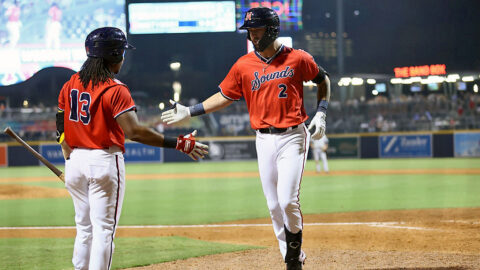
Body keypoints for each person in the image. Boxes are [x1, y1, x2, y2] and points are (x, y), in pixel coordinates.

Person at [161, 7, 331, 270]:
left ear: (272, 29)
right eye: (249, 30)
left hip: (292, 136)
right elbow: (225, 95)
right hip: (263, 139)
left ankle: (294, 259)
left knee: (287, 200)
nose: (252, 35)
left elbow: (323, 80)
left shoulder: (297, 58)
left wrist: (321, 113)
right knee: (274, 206)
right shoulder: (243, 64)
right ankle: (289, 254)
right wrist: (190, 110)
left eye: (257, 29)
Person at [56, 27, 209, 270]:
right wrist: (178, 143)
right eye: (121, 53)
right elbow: (134, 132)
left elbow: (60, 114)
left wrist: (62, 141)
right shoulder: (115, 89)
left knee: (84, 228)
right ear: (114, 55)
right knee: (104, 230)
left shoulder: (72, 82)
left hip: (75, 161)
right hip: (103, 161)